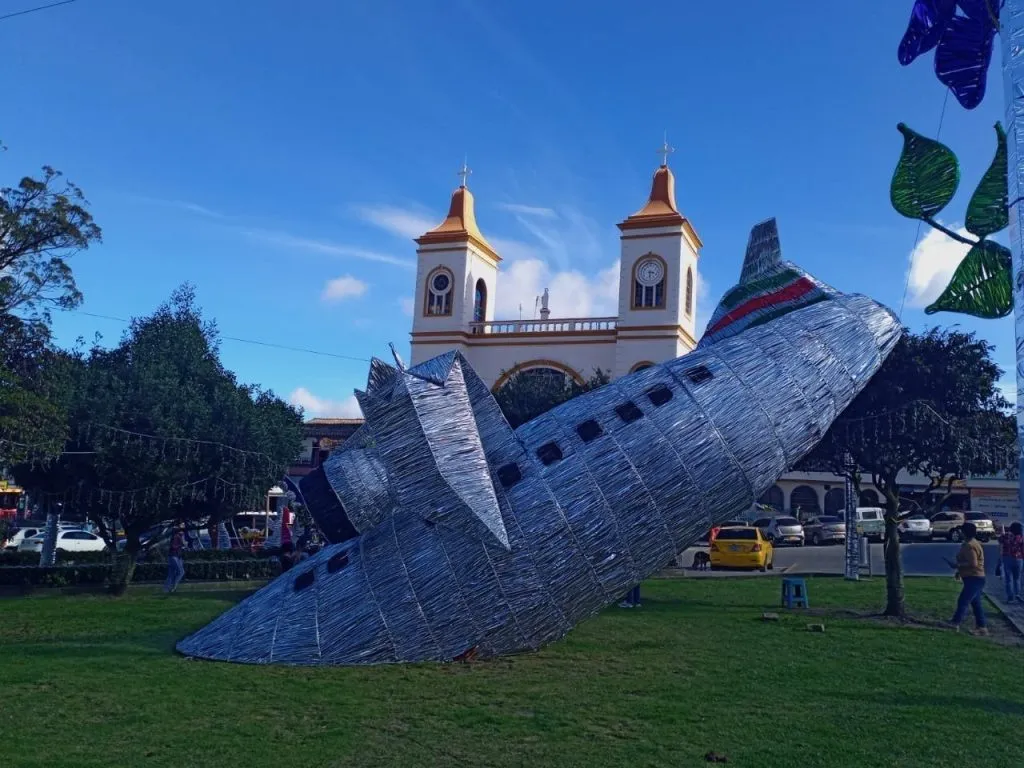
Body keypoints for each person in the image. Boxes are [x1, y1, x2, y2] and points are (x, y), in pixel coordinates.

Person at [949, 522, 988, 636]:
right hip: (974, 578)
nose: (959, 533)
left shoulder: (970, 545)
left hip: (974, 578)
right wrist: (959, 571)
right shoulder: (969, 543)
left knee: (963, 601)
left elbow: (973, 564)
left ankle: (955, 623)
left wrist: (957, 566)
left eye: (961, 531)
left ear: (965, 532)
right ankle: (982, 627)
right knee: (976, 603)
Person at [997, 521, 1024, 603]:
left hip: (1007, 558)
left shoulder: (1006, 536)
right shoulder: (1021, 537)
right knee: (1017, 578)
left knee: (1008, 579)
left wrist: (1002, 531)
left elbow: (1000, 540)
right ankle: (1017, 594)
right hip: (1018, 559)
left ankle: (1010, 597)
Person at [164, 524, 186, 594]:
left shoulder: (178, 536)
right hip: (174, 556)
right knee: (181, 572)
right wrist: (182, 544)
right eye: (181, 530)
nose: (183, 532)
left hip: (176, 556)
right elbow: (173, 546)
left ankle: (167, 589)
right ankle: (173, 587)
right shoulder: (176, 537)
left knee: (171, 573)